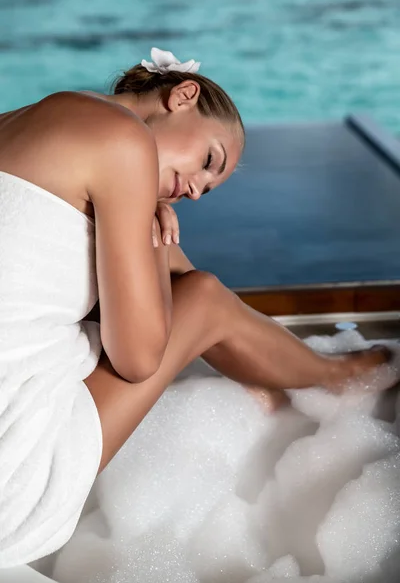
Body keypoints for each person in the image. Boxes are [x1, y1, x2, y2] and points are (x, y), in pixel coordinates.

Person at [0, 48, 391, 567]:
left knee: (192, 293)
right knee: (203, 298)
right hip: (16, 482)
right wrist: (154, 241)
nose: (196, 192)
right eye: (210, 160)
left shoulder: (28, 121)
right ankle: (333, 374)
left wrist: (147, 226)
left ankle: (290, 371)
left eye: (204, 189)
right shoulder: (121, 138)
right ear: (184, 95)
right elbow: (139, 357)